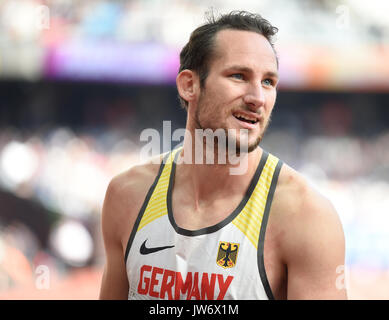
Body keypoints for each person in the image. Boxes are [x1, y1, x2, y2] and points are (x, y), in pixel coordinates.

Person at [99, 10, 347, 300]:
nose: (257, 98)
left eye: (268, 82)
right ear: (189, 85)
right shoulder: (127, 195)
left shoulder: (306, 216)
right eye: (239, 76)